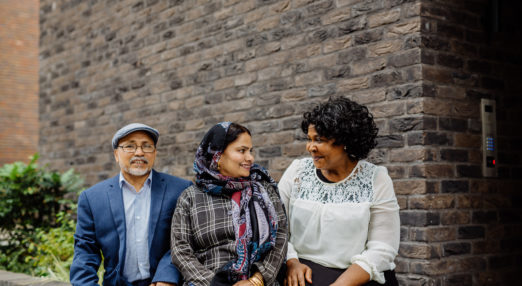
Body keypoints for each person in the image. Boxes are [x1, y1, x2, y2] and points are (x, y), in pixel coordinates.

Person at [279, 97, 400, 286]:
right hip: (303, 273)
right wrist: (291, 261)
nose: (310, 147)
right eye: (309, 139)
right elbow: (274, 227)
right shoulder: (297, 172)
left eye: (319, 140)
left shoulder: (377, 179)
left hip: (357, 276)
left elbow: (383, 248)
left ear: (345, 141)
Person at [70, 123, 192, 286]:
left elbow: (186, 240)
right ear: (116, 154)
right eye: (130, 146)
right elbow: (85, 253)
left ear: (154, 153)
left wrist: (167, 276)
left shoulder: (180, 190)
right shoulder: (92, 198)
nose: (139, 152)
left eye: (147, 146)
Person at [170, 122, 288, 286]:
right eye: (242, 150)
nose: (250, 157)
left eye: (250, 151)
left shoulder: (264, 190)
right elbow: (181, 251)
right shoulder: (190, 197)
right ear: (218, 155)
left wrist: (256, 280)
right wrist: (216, 283)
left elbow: (280, 237)